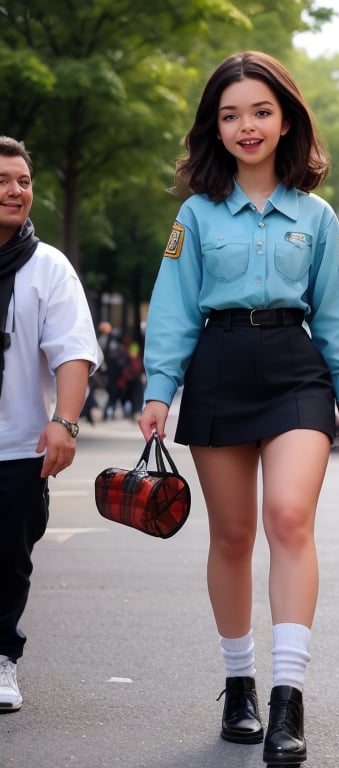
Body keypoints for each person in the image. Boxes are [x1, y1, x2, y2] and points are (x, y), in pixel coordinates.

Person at [138, 51, 339, 765]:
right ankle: (239, 682)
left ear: (286, 118)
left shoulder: (317, 213)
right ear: (215, 126)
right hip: (219, 365)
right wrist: (157, 388)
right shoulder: (197, 214)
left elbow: (337, 307)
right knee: (233, 537)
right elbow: (174, 307)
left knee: (289, 520)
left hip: (297, 371)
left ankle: (286, 699)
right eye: (231, 114)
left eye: (261, 111)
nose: (246, 125)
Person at [0, 136, 100, 711]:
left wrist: (64, 421)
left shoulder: (48, 267)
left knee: (9, 559)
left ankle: (2, 658)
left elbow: (72, 351)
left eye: (24, 181)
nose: (16, 191)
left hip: (18, 446)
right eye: (3, 181)